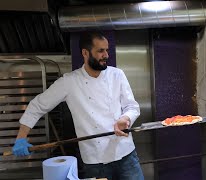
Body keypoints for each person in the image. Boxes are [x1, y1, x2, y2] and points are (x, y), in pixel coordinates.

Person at [12, 31, 144, 180]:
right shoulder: (69, 82)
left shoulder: (117, 75)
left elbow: (132, 107)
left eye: (106, 50)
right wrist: (21, 137)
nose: (106, 55)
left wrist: (125, 119)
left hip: (125, 153)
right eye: (100, 51)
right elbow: (37, 105)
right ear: (85, 53)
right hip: (95, 161)